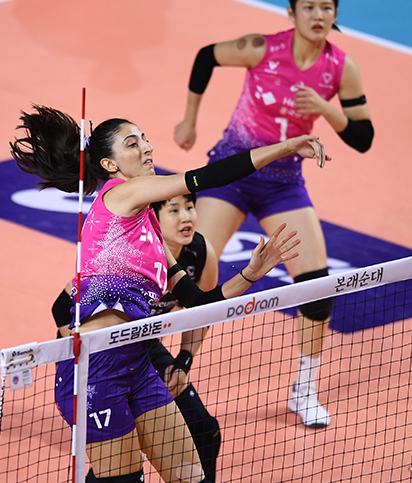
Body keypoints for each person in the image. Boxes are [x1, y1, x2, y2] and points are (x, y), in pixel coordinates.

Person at [11, 104, 327, 483]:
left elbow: (200, 303)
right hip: (97, 370)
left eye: (144, 138)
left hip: (138, 362)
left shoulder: (151, 232)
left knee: (192, 476)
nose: (147, 147)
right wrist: (285, 147)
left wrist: (251, 273)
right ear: (110, 165)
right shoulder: (122, 193)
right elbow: (208, 177)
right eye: (132, 143)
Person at [174, 0, 373, 429]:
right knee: (198, 268)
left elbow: (363, 137)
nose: (317, 15)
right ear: (291, 13)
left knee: (317, 287)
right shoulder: (261, 49)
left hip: (283, 184)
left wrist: (325, 108)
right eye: (309, 7)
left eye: (326, 7)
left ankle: (305, 390)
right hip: (232, 172)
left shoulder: (341, 68)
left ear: (334, 14)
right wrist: (189, 121)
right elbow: (206, 56)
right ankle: (178, 371)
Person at [52, 194, 224, 482]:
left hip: (144, 347)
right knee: (123, 461)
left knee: (204, 429)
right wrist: (87, 358)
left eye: (190, 207)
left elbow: (202, 312)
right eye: (174, 210)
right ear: (153, 218)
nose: (186, 217)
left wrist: (183, 360)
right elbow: (61, 308)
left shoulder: (201, 254)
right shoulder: (129, 250)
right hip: (96, 350)